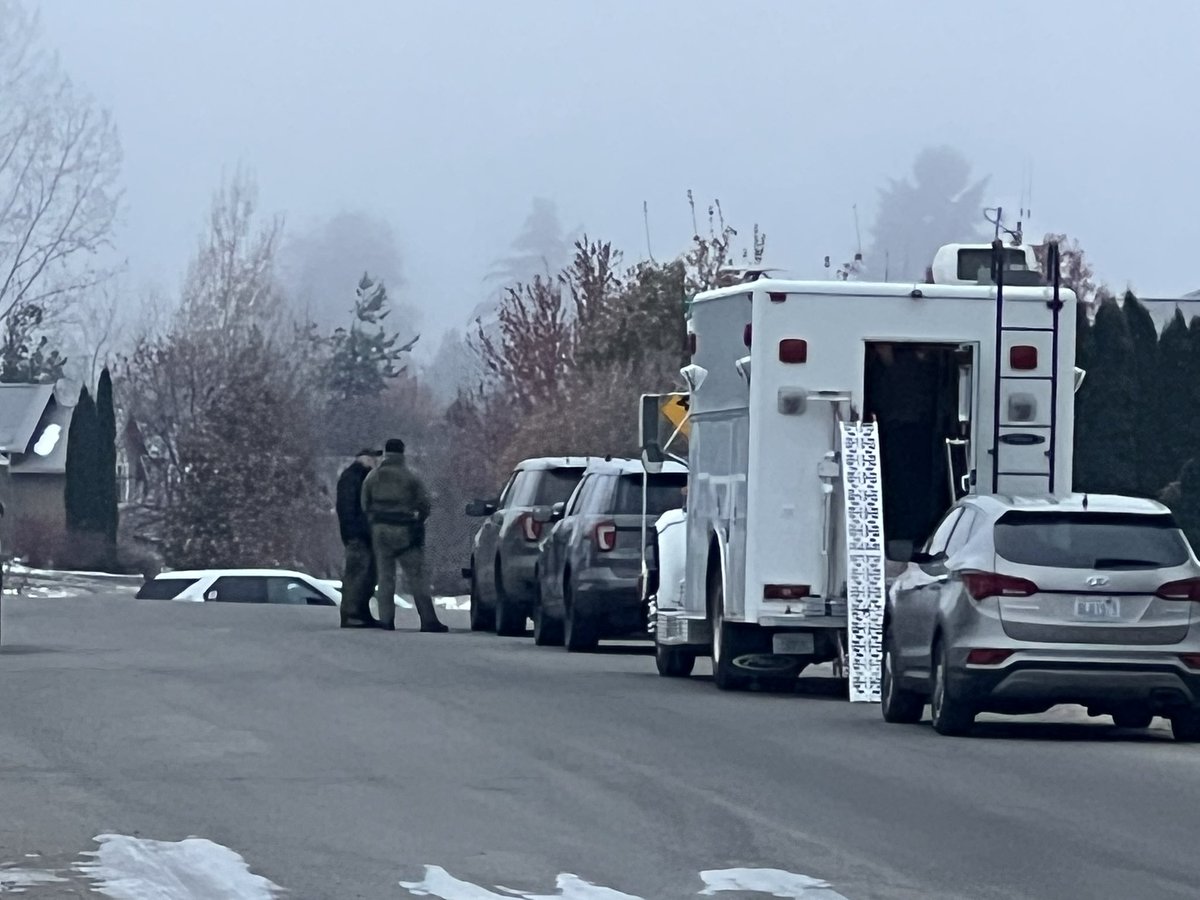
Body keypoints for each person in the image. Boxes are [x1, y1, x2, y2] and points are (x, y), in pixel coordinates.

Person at [360, 438, 447, 633]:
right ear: (402, 453)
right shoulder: (410, 476)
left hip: (380, 531)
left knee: (385, 578)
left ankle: (387, 620)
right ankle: (428, 620)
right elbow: (425, 504)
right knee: (417, 577)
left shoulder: (373, 476)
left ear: (386, 452)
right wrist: (418, 520)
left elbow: (365, 504)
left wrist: (376, 520)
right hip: (405, 531)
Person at [336, 449, 382, 629]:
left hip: (363, 534)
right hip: (357, 535)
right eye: (374, 458)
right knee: (357, 575)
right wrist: (356, 531)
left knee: (368, 576)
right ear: (365, 458)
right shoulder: (353, 477)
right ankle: (351, 614)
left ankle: (362, 613)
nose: (376, 461)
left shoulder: (360, 476)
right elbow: (348, 508)